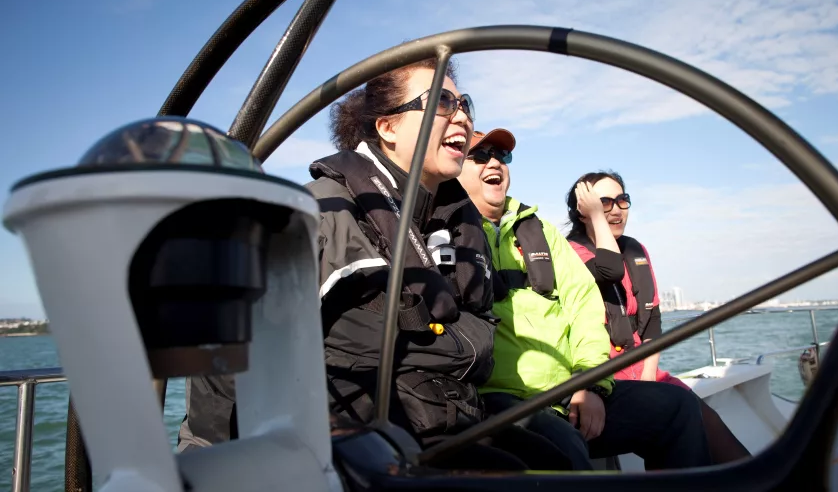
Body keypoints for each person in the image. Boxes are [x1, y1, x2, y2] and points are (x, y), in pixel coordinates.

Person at [177, 58, 572, 472]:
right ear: (388, 128)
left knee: (557, 461)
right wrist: (218, 464)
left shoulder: (454, 221)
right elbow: (225, 359)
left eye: (464, 103)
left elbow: (478, 340)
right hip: (356, 442)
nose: (461, 117)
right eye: (440, 101)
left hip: (449, 416)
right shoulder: (323, 213)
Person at [456, 128, 714, 471]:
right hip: (498, 399)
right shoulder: (444, 231)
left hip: (570, 390)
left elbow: (585, 308)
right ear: (455, 165)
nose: (495, 162)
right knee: (561, 445)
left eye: (502, 156)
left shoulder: (539, 232)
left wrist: (589, 386)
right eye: (481, 155)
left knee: (677, 408)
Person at [565, 171, 751, 464]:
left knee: (706, 421)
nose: (614, 209)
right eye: (603, 203)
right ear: (584, 210)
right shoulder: (569, 254)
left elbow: (652, 319)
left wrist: (649, 375)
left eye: (621, 200)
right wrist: (597, 219)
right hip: (601, 371)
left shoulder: (636, 250)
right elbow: (608, 270)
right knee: (672, 421)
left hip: (643, 365)